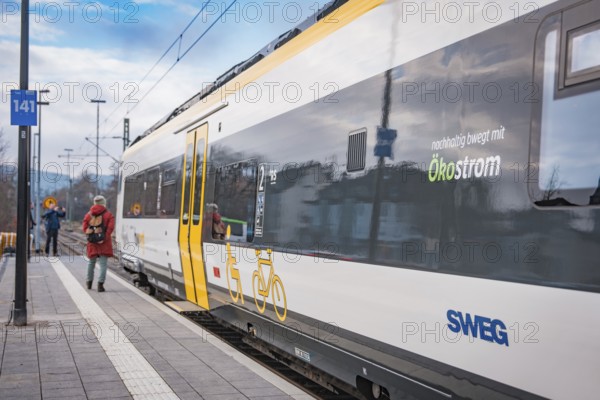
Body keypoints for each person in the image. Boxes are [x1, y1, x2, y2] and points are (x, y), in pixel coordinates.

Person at [83, 195, 115, 292]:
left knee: (91, 263)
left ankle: (89, 283)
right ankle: (100, 285)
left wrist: (91, 236)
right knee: (103, 264)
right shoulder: (109, 215)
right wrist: (104, 238)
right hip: (104, 243)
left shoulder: (88, 215)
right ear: (103, 203)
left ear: (95, 203)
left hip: (92, 242)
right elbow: (110, 228)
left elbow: (84, 228)